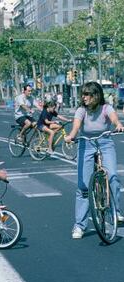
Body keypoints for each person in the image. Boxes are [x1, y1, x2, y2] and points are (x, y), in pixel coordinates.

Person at [64, 81, 124, 239]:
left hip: (105, 142)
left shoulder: (106, 108)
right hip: (86, 144)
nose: (84, 97)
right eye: (82, 94)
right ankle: (79, 226)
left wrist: (118, 125)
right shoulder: (81, 111)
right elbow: (76, 127)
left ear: (96, 95)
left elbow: (114, 120)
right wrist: (71, 136)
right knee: (83, 186)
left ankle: (116, 211)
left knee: (112, 177)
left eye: (87, 94)